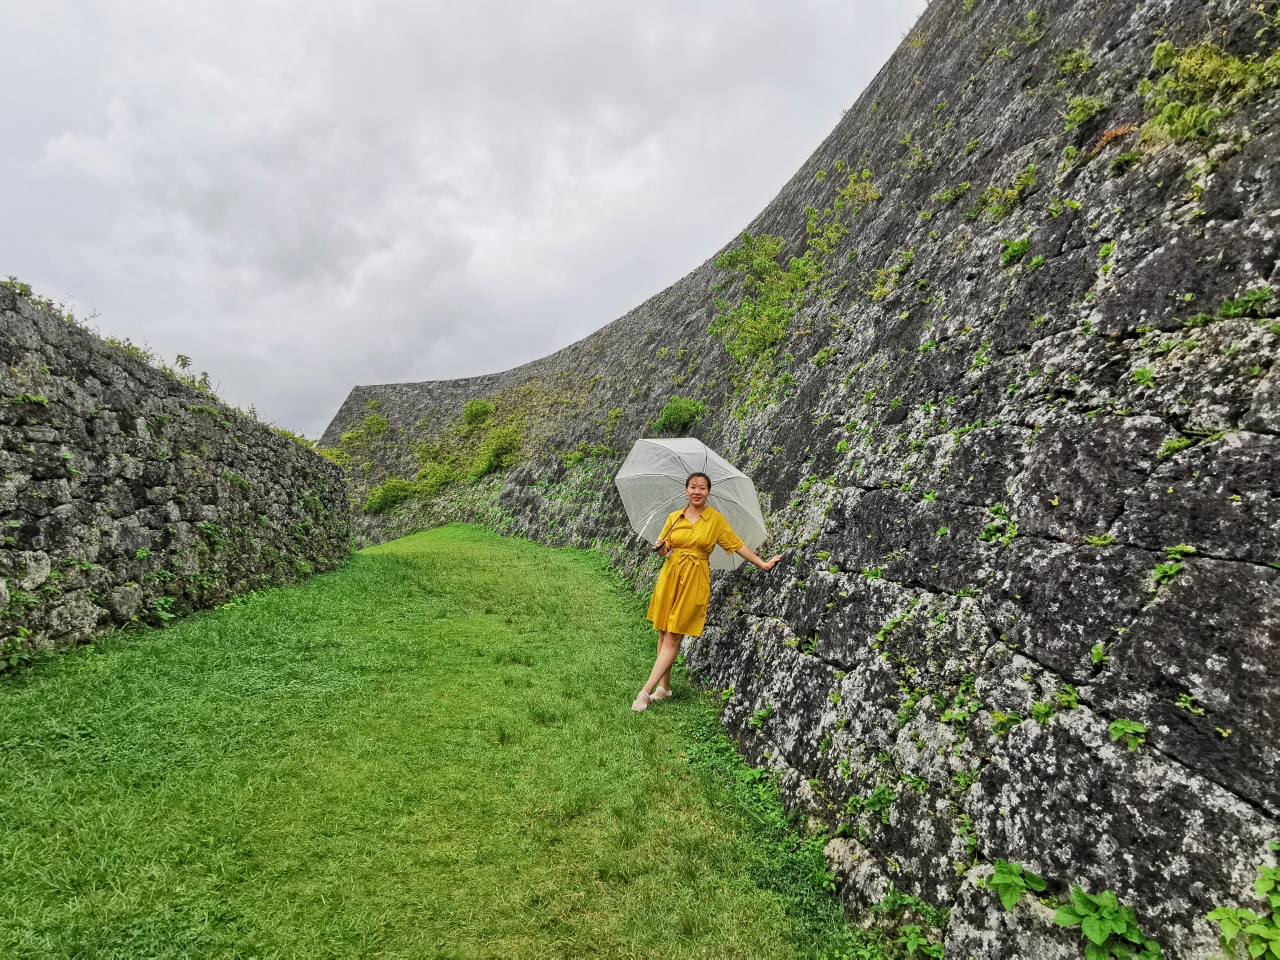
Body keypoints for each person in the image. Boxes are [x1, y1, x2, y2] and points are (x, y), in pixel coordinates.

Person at [632, 472, 782, 712]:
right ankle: (664, 688)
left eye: (702, 487)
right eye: (693, 487)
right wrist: (660, 548)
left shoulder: (716, 520)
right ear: (686, 491)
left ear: (708, 492)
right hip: (670, 576)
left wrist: (763, 563)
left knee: (674, 635)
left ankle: (645, 691)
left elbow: (737, 544)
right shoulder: (674, 517)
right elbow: (665, 549)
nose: (697, 491)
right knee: (663, 632)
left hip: (695, 578)